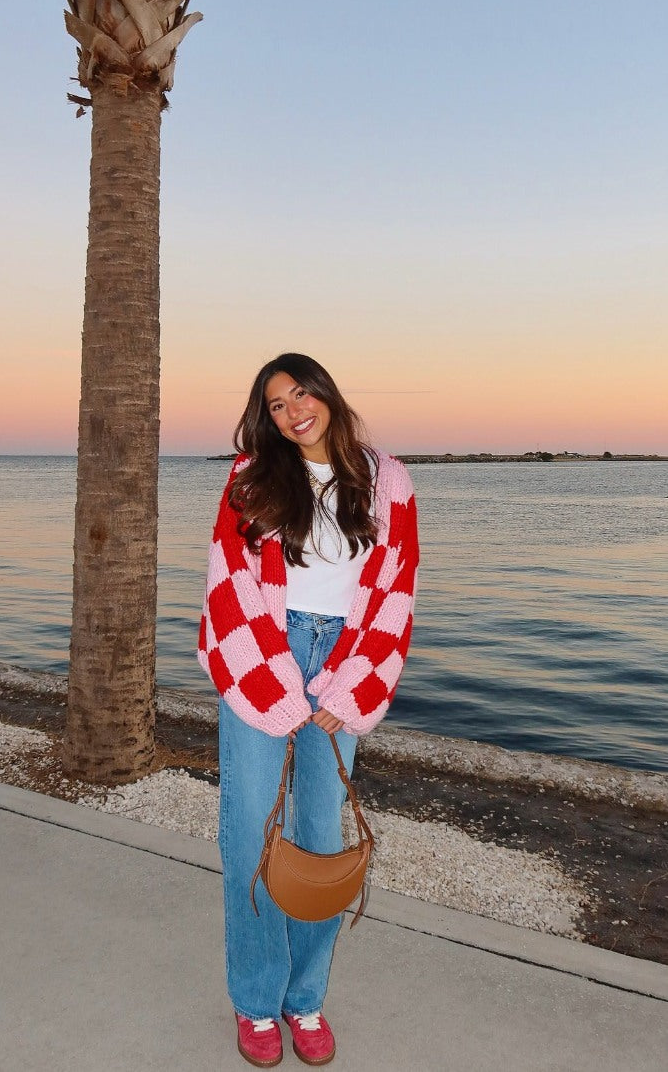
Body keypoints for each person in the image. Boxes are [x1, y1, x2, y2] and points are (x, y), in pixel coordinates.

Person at [198, 352, 419, 1067]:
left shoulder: (387, 479)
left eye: (301, 392)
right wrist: (277, 686)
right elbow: (228, 584)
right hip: (265, 649)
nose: (293, 410)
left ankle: (305, 995)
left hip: (345, 658)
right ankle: (257, 1001)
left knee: (322, 838)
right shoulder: (249, 479)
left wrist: (353, 683)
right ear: (265, 417)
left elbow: (397, 587)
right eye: (275, 403)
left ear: (326, 392)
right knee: (250, 835)